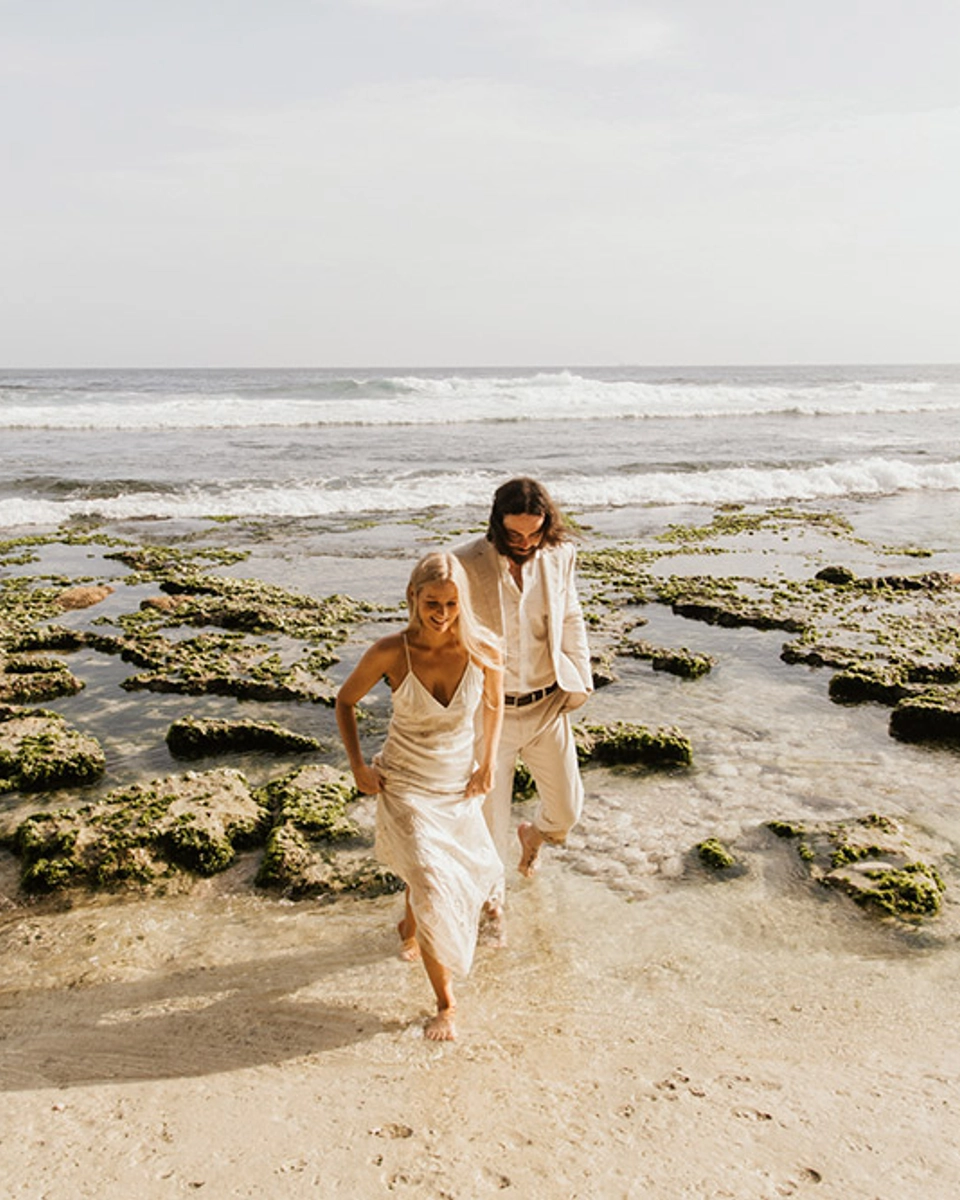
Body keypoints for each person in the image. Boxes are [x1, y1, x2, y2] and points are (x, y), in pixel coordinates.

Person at [335, 552, 504, 1042]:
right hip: (405, 783)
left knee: (434, 872)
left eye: (452, 603)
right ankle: (446, 1004)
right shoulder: (391, 651)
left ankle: (409, 928)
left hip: (455, 784)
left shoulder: (484, 648)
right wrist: (358, 766)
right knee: (432, 881)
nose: (443, 613)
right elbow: (345, 701)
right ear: (413, 597)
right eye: (432, 602)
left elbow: (493, 705)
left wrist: (489, 761)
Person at [455, 477, 593, 880]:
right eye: (515, 534)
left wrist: (581, 676)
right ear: (496, 522)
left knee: (566, 811)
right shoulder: (463, 562)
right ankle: (492, 914)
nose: (526, 543)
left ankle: (534, 837)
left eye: (534, 533)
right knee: (489, 833)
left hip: (547, 704)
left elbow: (571, 614)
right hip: (489, 713)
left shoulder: (561, 554)